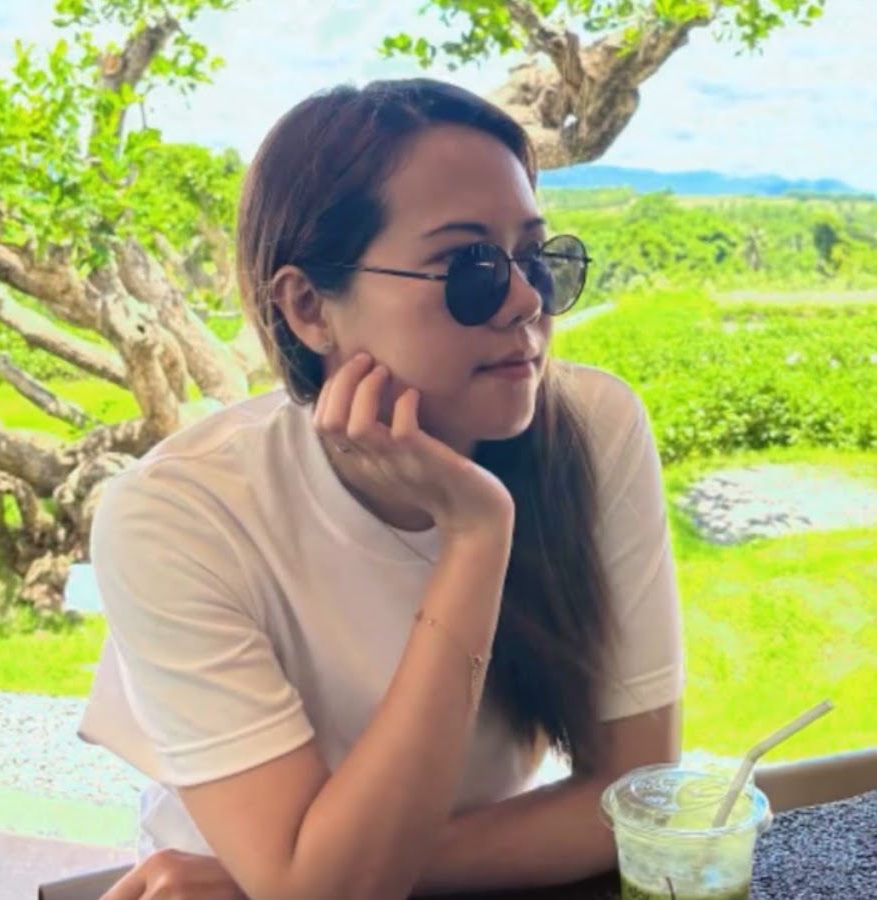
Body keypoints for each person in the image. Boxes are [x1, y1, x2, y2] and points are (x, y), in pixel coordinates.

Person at [79, 77, 683, 900]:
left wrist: (290, 877)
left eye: (536, 260)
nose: (523, 302)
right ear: (308, 308)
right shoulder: (179, 515)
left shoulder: (592, 428)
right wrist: (475, 537)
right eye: (468, 267)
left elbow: (639, 798)